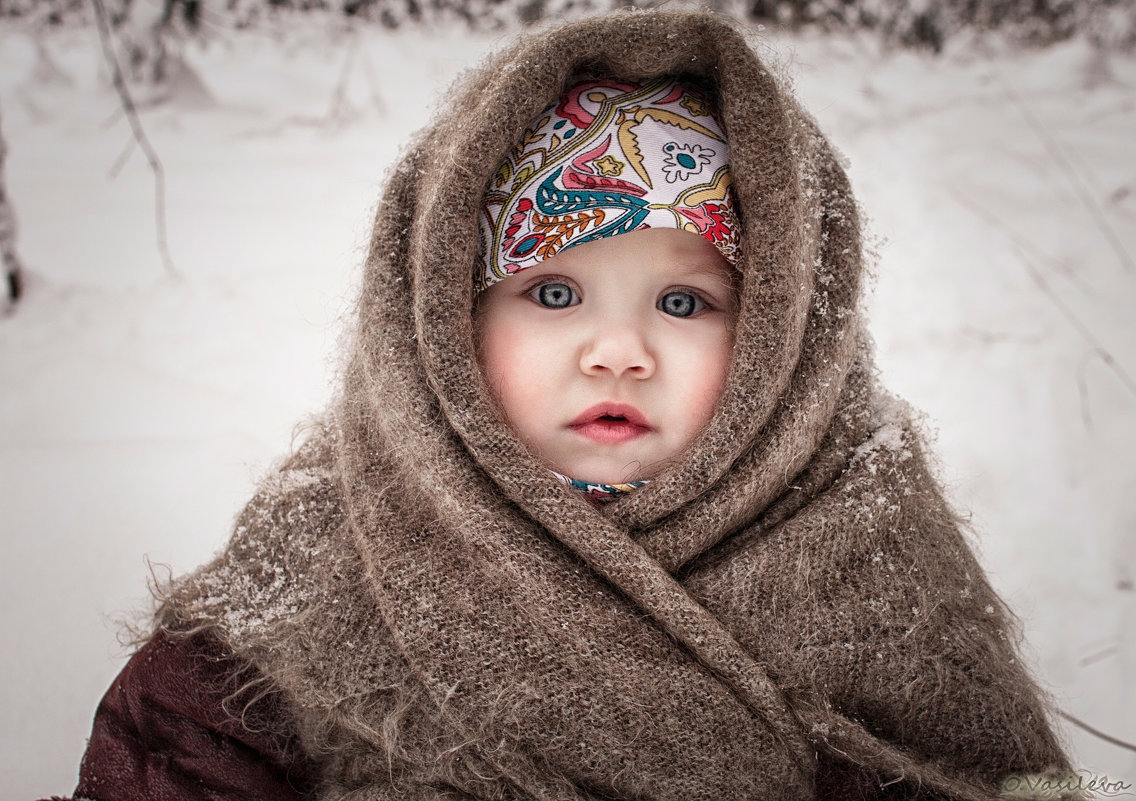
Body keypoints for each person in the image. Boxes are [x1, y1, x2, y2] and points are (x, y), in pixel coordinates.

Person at [53, 10, 1072, 801]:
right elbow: (176, 757)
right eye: (550, 292)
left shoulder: (862, 543)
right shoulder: (331, 548)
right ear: (444, 322)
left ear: (783, 343)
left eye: (683, 302)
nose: (618, 351)